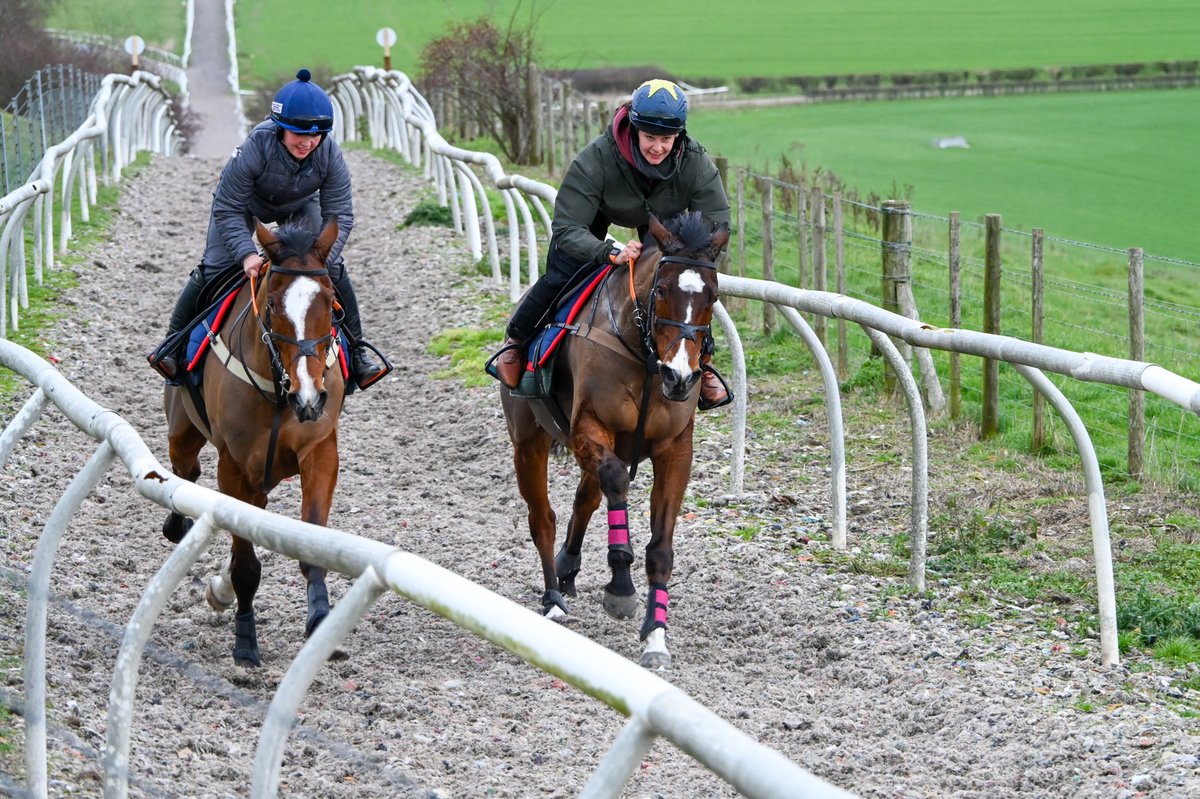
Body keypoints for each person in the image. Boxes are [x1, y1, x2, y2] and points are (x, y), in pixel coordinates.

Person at [491, 78, 732, 409]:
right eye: (650, 138)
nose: (658, 147)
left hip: (666, 224)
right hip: (596, 216)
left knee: (685, 288)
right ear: (634, 129)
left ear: (679, 135)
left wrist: (688, 257)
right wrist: (609, 252)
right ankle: (517, 340)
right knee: (563, 273)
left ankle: (701, 363)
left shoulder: (695, 162)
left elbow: (717, 224)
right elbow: (566, 227)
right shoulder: (596, 158)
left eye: (667, 139)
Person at [150, 68, 385, 388]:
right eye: (300, 135)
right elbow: (227, 207)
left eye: (316, 135)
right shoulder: (256, 146)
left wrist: (320, 257)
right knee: (215, 266)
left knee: (334, 267)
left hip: (301, 206)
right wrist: (247, 255)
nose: (309, 143)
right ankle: (173, 345)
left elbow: (339, 215)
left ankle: (357, 352)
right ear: (280, 128)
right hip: (245, 206)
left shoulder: (329, 152)